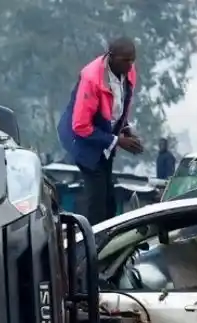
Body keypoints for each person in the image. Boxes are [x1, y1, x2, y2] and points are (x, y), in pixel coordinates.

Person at [57, 36, 144, 225]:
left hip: (103, 137)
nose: (130, 65)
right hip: (80, 139)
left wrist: (125, 128)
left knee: (109, 201)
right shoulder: (91, 79)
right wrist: (117, 140)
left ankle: (109, 241)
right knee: (97, 203)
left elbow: (120, 106)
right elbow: (80, 126)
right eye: (125, 60)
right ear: (111, 57)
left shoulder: (129, 72)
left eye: (132, 60)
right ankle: (93, 245)